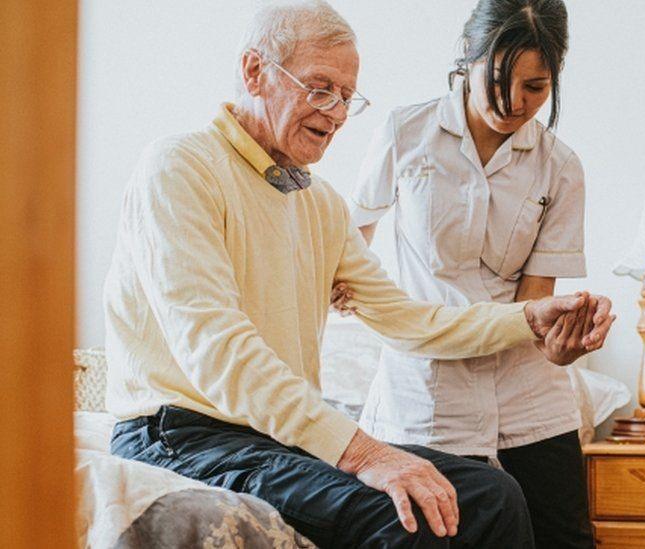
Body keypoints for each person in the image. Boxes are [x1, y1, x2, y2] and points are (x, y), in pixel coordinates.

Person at [103, 2, 613, 547]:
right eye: (320, 89)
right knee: (407, 516)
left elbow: (409, 320)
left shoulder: (317, 202)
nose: (337, 113)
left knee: (489, 494)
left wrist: (528, 317)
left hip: (273, 435)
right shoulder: (181, 167)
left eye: (347, 97)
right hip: (181, 433)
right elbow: (219, 351)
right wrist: (367, 452)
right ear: (255, 72)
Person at [348, 1, 604, 546]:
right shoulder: (404, 133)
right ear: (466, 61)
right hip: (426, 401)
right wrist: (348, 288)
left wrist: (560, 345)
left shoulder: (561, 168)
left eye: (536, 88)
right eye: (498, 81)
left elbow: (534, 308)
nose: (514, 103)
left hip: (530, 400)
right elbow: (348, 241)